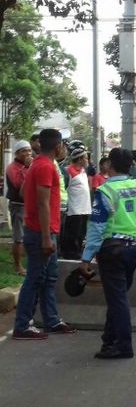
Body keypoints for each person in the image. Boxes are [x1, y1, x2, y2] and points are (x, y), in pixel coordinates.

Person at [79, 148, 136, 359]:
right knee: (117, 296)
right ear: (130, 165)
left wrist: (85, 258)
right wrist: (131, 164)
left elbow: (97, 227)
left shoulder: (105, 191)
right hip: (134, 250)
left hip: (113, 250)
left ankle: (123, 345)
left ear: (109, 165)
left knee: (117, 299)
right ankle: (109, 340)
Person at [12, 129, 75, 340]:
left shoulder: (37, 165)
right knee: (35, 279)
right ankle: (22, 325)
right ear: (58, 147)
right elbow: (43, 202)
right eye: (63, 145)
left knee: (49, 278)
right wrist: (47, 237)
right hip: (41, 232)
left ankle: (51, 321)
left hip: (44, 230)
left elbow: (23, 192)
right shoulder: (46, 166)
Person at [5, 140, 33, 275]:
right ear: (17, 153)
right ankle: (18, 266)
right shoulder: (12, 168)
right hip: (18, 206)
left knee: (30, 235)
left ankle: (29, 263)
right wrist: (27, 168)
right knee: (19, 237)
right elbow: (19, 186)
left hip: (31, 205)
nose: (28, 153)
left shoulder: (31, 165)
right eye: (24, 151)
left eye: (29, 150)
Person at [61, 144, 92, 259]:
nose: (87, 160)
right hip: (74, 209)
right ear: (79, 159)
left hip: (85, 208)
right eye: (85, 158)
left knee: (81, 233)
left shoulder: (83, 170)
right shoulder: (68, 171)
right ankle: (70, 253)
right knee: (72, 233)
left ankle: (78, 251)